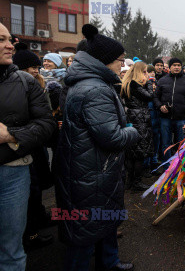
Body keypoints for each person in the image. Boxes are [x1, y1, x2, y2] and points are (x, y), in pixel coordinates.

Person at [55, 24, 139, 271]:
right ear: (104, 61)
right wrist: (133, 130)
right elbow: (111, 137)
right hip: (89, 172)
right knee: (86, 230)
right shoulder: (95, 89)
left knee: (103, 220)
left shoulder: (91, 83)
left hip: (95, 168)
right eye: (120, 61)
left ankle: (109, 261)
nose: (122, 66)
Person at [0, 22, 56, 269]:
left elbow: (46, 125)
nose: (10, 44)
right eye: (1, 39)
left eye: (9, 39)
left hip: (13, 172)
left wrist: (11, 135)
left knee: (11, 249)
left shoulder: (25, 82)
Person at [12, 44, 55, 249]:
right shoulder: (16, 88)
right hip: (23, 148)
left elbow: (43, 117)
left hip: (35, 146)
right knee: (28, 192)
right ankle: (30, 235)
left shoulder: (37, 83)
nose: (36, 70)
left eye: (37, 67)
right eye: (31, 67)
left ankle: (39, 219)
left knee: (36, 188)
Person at [121, 62, 154, 191]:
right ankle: (137, 182)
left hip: (132, 117)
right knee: (139, 153)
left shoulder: (127, 83)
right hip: (139, 119)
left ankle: (130, 181)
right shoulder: (135, 84)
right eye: (144, 71)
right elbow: (149, 96)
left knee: (131, 153)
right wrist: (150, 83)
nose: (146, 74)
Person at [154, 57, 185, 161]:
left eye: (178, 65)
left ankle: (179, 165)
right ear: (170, 67)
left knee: (181, 143)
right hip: (165, 118)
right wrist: (160, 106)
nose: (176, 67)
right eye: (174, 65)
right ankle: (166, 166)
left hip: (181, 118)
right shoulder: (162, 80)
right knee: (165, 143)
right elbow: (156, 97)